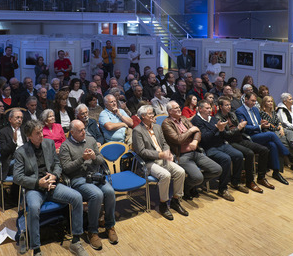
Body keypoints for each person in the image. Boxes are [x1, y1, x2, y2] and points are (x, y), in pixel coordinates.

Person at [13, 120, 87, 256]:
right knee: (34, 208)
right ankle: (36, 249)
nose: (41, 135)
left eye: (41, 131)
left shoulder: (49, 143)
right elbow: (17, 177)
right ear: (29, 136)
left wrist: (54, 175)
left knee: (77, 197)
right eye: (37, 133)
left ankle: (76, 241)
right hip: (35, 189)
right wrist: (37, 182)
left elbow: (58, 164)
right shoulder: (21, 152)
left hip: (52, 185)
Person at [59, 120, 118, 251]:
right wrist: (82, 159)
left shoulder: (90, 140)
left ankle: (109, 226)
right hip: (78, 179)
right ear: (72, 132)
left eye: (84, 129)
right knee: (96, 195)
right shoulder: (65, 146)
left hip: (95, 176)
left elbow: (101, 160)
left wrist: (94, 157)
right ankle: (93, 231)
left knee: (109, 192)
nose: (83, 132)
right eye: (80, 130)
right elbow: (66, 169)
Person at [132, 105, 187, 220]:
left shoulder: (157, 127)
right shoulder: (137, 131)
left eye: (153, 113)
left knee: (180, 171)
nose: (153, 115)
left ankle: (176, 201)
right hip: (148, 162)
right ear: (143, 116)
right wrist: (159, 155)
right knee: (165, 175)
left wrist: (167, 152)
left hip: (163, 158)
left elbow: (164, 142)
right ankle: (163, 204)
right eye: (150, 114)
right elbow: (141, 151)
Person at [161, 101, 222, 200]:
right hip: (182, 155)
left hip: (195, 151)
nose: (179, 109)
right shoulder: (166, 123)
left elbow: (197, 131)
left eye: (179, 107)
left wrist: (194, 141)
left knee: (217, 170)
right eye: (176, 108)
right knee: (198, 178)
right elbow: (178, 139)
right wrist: (190, 131)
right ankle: (187, 187)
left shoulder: (184, 119)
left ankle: (191, 186)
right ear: (170, 111)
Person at [215, 97, 272, 193]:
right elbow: (225, 135)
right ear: (220, 107)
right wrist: (238, 128)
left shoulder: (232, 114)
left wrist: (241, 127)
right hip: (230, 143)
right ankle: (250, 181)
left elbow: (242, 129)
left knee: (264, 150)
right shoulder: (217, 118)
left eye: (229, 104)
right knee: (249, 153)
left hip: (240, 138)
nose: (229, 107)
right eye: (226, 105)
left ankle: (261, 177)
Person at [235, 92, 293, 185]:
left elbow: (258, 122)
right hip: (249, 137)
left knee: (273, 145)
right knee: (271, 135)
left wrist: (262, 123)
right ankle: (289, 155)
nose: (254, 103)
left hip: (259, 134)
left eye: (255, 101)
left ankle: (276, 172)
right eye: (252, 101)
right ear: (245, 99)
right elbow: (244, 128)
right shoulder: (240, 111)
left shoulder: (255, 109)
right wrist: (259, 126)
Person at [192, 100, 246, 201]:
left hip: (221, 144)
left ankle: (235, 182)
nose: (210, 110)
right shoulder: (196, 121)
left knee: (238, 155)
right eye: (207, 108)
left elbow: (223, 136)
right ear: (200, 109)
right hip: (208, 148)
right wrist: (217, 128)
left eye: (210, 108)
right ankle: (222, 189)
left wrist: (222, 130)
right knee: (226, 159)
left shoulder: (212, 119)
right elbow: (204, 139)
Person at [260, 95, 293, 173]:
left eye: (271, 101)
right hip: (270, 132)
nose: (271, 103)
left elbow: (278, 122)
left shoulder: (273, 112)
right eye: (268, 101)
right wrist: (278, 128)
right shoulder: (262, 113)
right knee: (286, 142)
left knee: (290, 132)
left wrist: (281, 128)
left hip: (278, 130)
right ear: (264, 103)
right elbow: (269, 126)